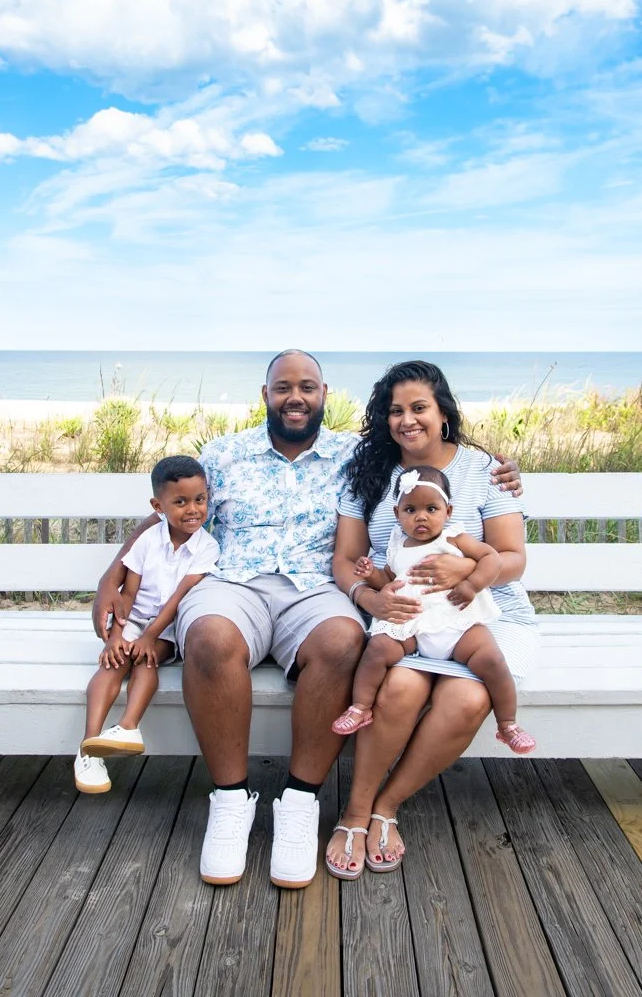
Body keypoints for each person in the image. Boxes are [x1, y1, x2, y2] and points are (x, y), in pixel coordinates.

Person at [92, 351, 522, 890]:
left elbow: (435, 457)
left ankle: (299, 803)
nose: (295, 397)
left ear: (325, 394)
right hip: (233, 581)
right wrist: (114, 573)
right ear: (265, 394)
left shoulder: (357, 456)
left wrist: (502, 466)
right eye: (283, 387)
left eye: (308, 387)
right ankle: (229, 801)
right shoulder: (224, 454)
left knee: (344, 640)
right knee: (208, 634)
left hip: (315, 589)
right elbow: (170, 509)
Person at [326, 360, 538, 880]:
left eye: (419, 407)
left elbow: (511, 558)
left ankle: (387, 806)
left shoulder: (485, 470)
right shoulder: (369, 473)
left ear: (443, 413)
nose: (407, 420)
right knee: (398, 690)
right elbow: (346, 557)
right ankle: (353, 814)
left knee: (467, 697)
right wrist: (368, 598)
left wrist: (469, 568)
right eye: (395, 411)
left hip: (478, 613)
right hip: (403, 614)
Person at [331, 464, 536, 756]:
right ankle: (361, 707)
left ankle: (508, 724)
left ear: (448, 512)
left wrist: (472, 583)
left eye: (431, 508)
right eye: (410, 510)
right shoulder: (397, 542)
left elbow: (492, 559)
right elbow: (391, 578)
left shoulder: (453, 537)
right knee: (377, 649)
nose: (421, 517)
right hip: (412, 625)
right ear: (397, 514)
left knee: (491, 659)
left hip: (456, 622)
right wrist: (371, 575)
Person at [75, 455, 218, 794]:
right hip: (135, 618)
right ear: (159, 505)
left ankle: (127, 726)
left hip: (167, 628)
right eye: (180, 502)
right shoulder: (148, 539)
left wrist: (148, 637)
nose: (193, 510)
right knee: (114, 662)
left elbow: (178, 600)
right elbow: (129, 591)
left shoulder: (206, 547)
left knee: (144, 658)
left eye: (200, 500)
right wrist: (117, 635)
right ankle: (88, 748)